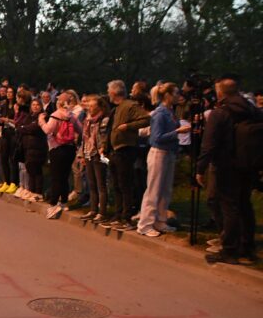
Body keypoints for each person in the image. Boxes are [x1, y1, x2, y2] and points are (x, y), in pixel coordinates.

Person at [196, 77, 259, 264]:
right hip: (249, 164)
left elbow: (209, 144)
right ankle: (247, 246)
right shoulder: (252, 110)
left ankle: (229, 249)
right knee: (245, 205)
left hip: (226, 165)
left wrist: (200, 168)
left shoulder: (220, 113)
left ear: (221, 92)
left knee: (229, 207)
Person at [137, 83, 189, 237]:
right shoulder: (160, 113)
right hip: (159, 153)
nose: (179, 96)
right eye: (176, 93)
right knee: (153, 190)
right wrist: (177, 132)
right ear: (167, 95)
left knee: (165, 190)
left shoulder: (170, 111)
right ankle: (145, 224)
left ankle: (160, 219)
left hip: (169, 152)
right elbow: (156, 137)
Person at [105, 80, 150, 230]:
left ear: (114, 92)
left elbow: (146, 118)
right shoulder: (116, 109)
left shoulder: (130, 105)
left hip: (125, 150)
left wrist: (128, 127)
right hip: (115, 151)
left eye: (108, 91)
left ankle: (127, 217)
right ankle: (118, 214)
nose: (107, 94)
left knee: (125, 185)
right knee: (117, 184)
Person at [40, 92, 79, 219]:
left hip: (57, 148)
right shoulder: (72, 116)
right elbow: (81, 130)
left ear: (59, 103)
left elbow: (48, 130)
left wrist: (41, 121)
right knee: (65, 176)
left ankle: (52, 204)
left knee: (56, 177)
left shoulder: (55, 115)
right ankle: (64, 202)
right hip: (70, 149)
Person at [78, 95, 110, 223]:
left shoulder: (103, 120)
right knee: (91, 184)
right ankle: (93, 209)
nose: (89, 108)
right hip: (88, 153)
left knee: (101, 184)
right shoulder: (88, 120)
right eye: (89, 106)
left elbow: (104, 137)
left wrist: (102, 150)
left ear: (99, 107)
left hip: (98, 154)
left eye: (92, 106)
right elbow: (84, 139)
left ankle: (102, 212)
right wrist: (82, 154)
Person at [16, 98, 47, 201]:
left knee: (36, 170)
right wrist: (25, 128)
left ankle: (38, 193)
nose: (35, 106)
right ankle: (31, 190)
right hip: (28, 148)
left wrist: (25, 128)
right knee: (30, 170)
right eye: (33, 104)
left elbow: (33, 128)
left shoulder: (42, 117)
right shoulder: (29, 116)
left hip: (38, 147)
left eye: (37, 104)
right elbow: (20, 127)